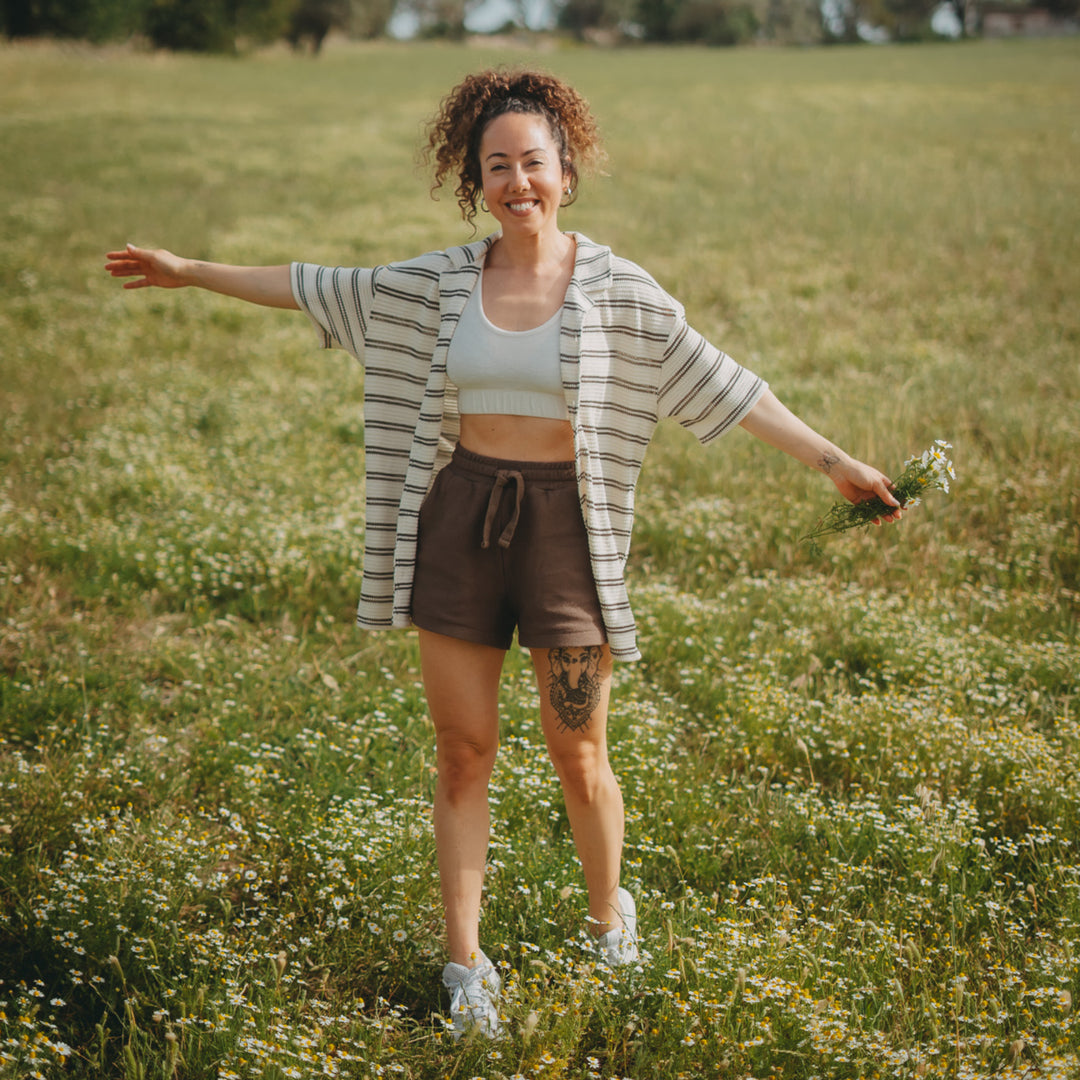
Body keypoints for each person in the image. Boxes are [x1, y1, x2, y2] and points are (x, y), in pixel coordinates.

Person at [105, 67, 902, 1040]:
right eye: (497, 166)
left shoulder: (618, 289)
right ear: (472, 179)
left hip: (571, 534)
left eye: (534, 162)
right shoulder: (440, 284)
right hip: (461, 526)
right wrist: (191, 272)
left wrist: (837, 462)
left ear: (567, 169)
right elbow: (317, 285)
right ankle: (464, 965)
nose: (517, 180)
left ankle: (611, 925)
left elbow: (725, 383)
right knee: (461, 754)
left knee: (578, 752)